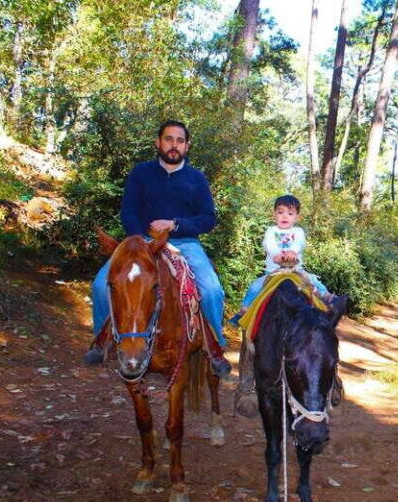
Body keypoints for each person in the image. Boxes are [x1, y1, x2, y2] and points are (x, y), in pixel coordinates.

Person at [85, 120, 231, 377]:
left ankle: (215, 347)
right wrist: (138, 240)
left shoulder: (196, 178)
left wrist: (174, 224)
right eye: (168, 139)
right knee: (100, 285)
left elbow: (208, 218)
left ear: (187, 146)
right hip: (140, 242)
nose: (174, 145)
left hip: (184, 243)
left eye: (180, 141)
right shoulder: (141, 173)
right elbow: (128, 210)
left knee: (211, 291)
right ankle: (102, 340)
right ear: (158, 142)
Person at [229, 194, 333, 325]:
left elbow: (300, 243)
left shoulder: (298, 231)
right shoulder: (271, 231)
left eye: (290, 213)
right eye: (280, 212)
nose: (285, 216)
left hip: (295, 270)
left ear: (297, 217)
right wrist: (275, 254)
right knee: (255, 287)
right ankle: (243, 311)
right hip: (273, 272)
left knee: (312, 281)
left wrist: (293, 251)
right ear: (274, 215)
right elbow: (269, 244)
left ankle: (328, 299)